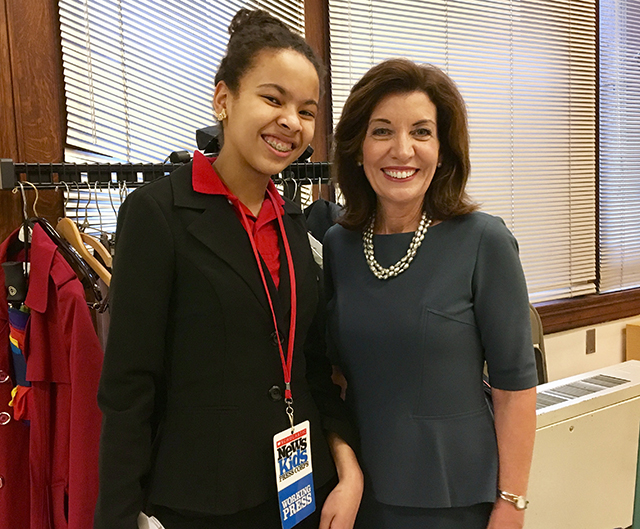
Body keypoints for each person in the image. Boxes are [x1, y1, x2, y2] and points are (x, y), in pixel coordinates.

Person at [94, 9, 362, 529]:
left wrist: (348, 470)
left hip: (299, 487)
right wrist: (117, 519)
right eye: (273, 98)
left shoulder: (289, 218)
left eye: (307, 111)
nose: (292, 122)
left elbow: (309, 365)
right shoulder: (158, 214)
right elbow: (128, 390)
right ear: (224, 99)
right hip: (202, 501)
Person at [324, 58, 538, 529]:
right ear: (358, 148)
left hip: (455, 498)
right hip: (360, 495)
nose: (402, 150)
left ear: (442, 150)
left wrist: (512, 504)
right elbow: (333, 376)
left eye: (422, 132)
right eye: (382, 131)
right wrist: (345, 468)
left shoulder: (484, 240)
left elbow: (514, 388)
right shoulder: (338, 245)